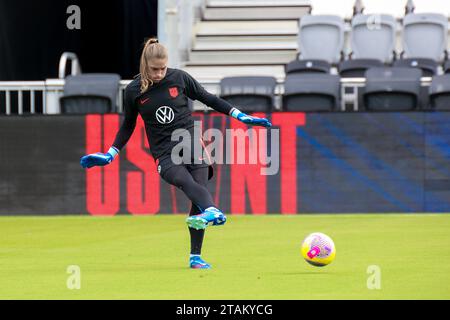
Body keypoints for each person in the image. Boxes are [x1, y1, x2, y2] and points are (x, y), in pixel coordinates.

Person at [80, 38, 271, 269]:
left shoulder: (179, 78)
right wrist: (111, 153)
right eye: (155, 69)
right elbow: (128, 125)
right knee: (183, 180)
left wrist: (240, 116)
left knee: (197, 196)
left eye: (163, 68)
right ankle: (214, 212)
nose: (160, 73)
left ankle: (195, 256)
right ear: (145, 65)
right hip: (164, 152)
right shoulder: (133, 91)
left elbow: (209, 99)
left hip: (191, 143)